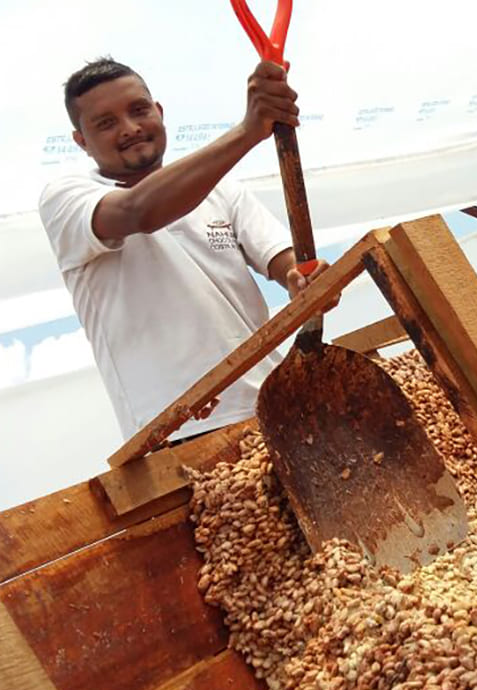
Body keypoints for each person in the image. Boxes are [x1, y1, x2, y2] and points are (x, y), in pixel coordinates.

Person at [39, 57, 325, 443]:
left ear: (159, 112)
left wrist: (301, 278)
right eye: (106, 124)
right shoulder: (67, 199)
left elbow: (280, 259)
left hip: (275, 407)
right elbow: (139, 211)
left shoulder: (223, 189)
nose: (130, 129)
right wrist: (248, 131)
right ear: (81, 142)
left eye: (139, 111)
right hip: (177, 433)